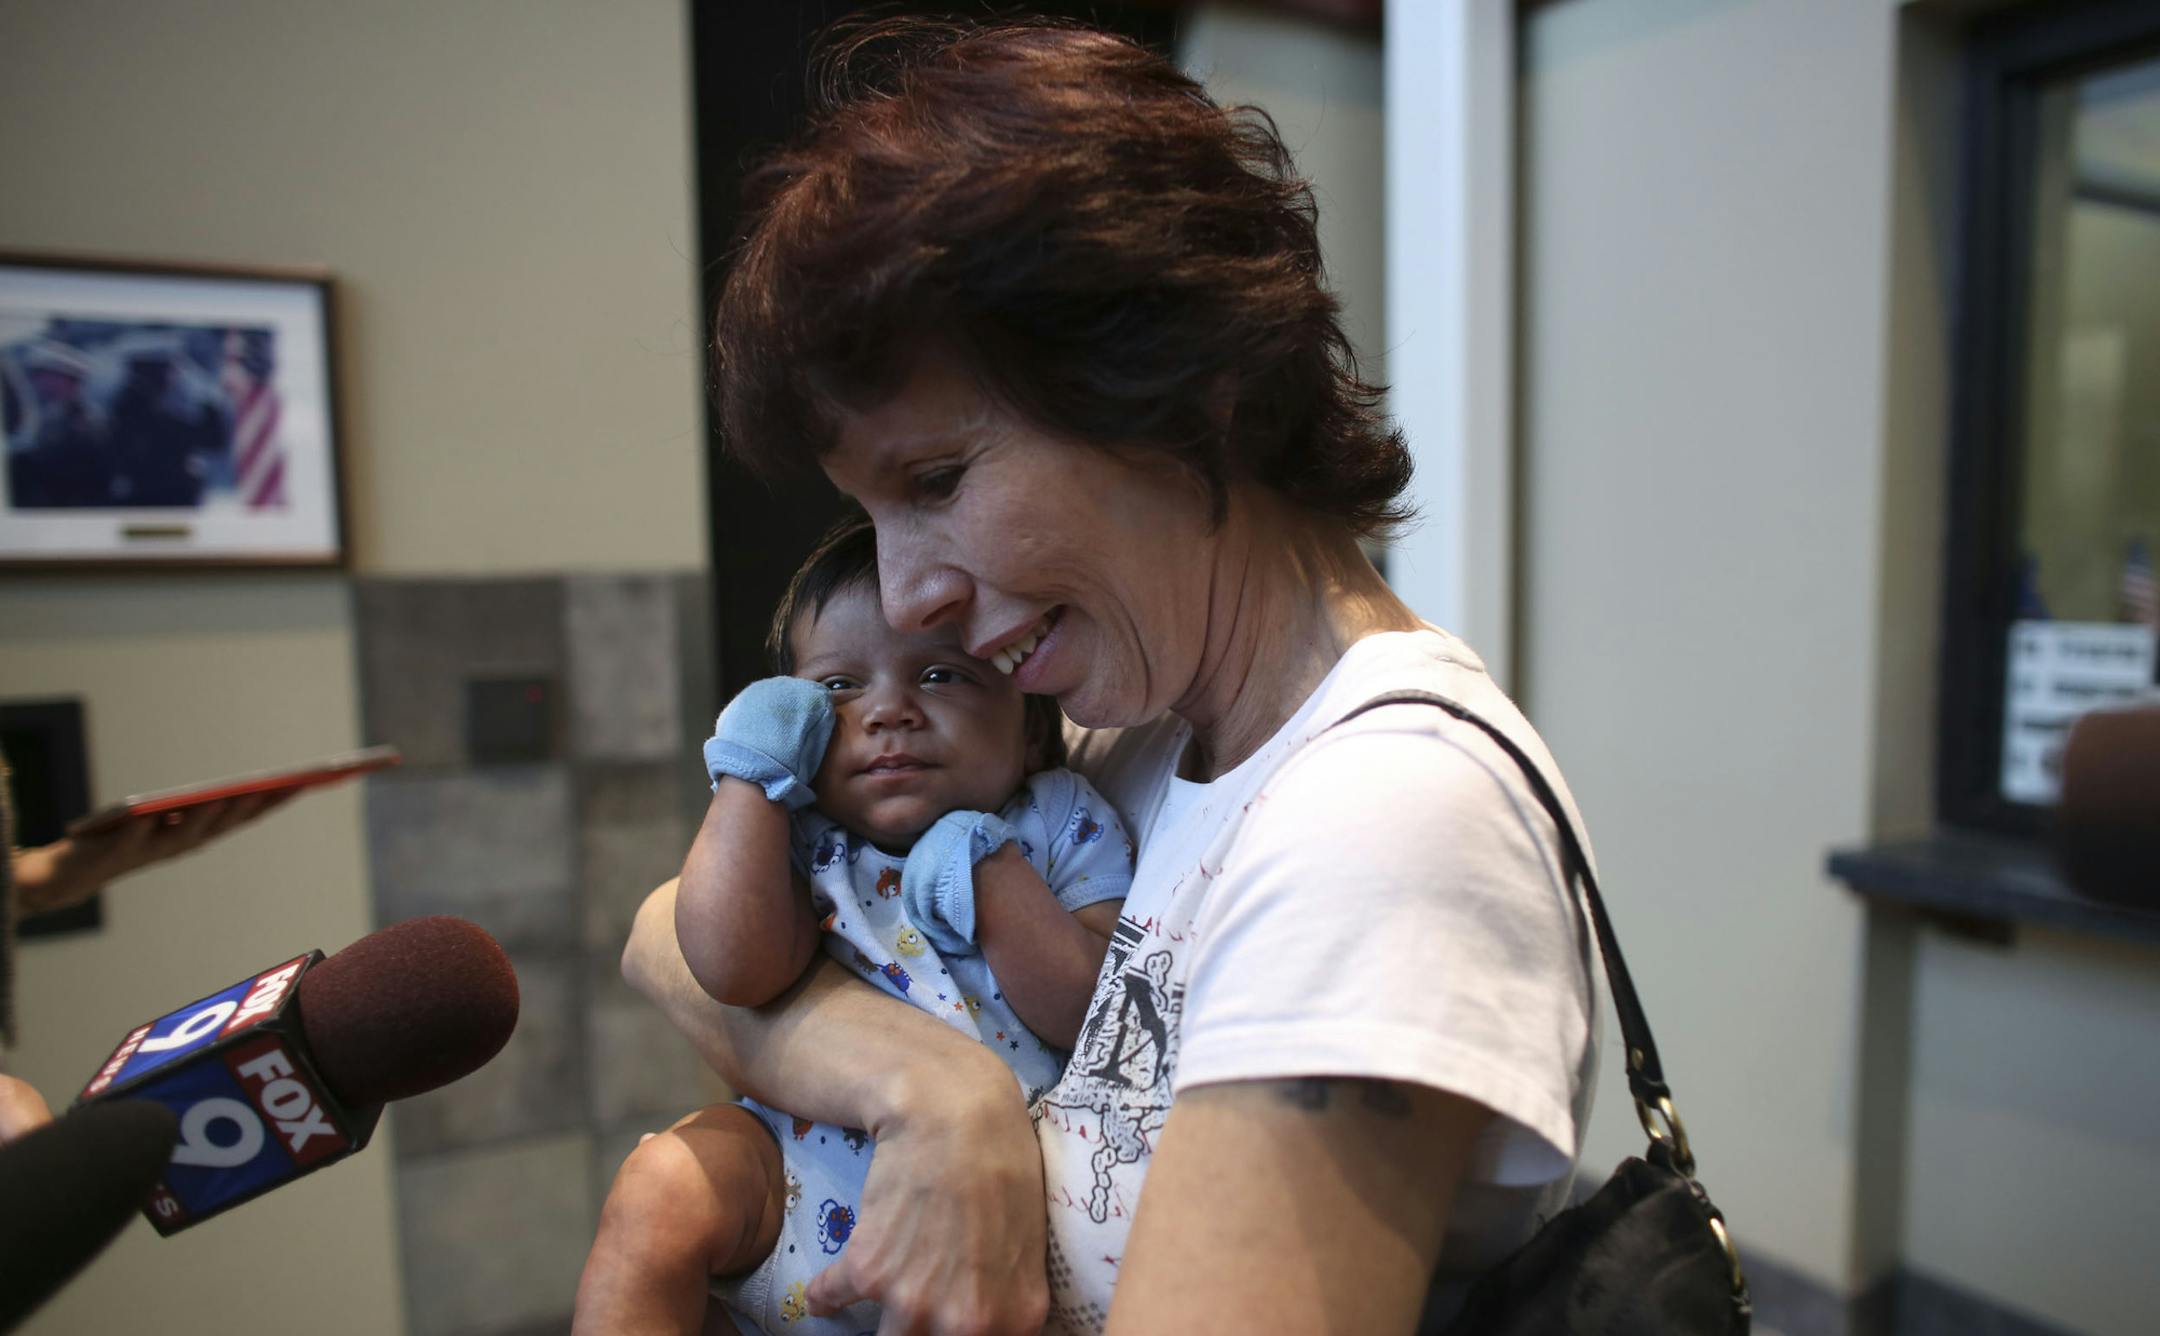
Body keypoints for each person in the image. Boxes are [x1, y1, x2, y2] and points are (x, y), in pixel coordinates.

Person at [618, 17, 1602, 1333]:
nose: (908, 592)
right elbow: (667, 940)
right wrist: (935, 1091)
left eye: (939, 481)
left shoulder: (1379, 823)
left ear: (1173, 388)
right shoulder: (1141, 749)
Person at [577, 517, 1133, 1335]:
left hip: (989, 1215)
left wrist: (992, 873)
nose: (888, 712)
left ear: (1031, 731)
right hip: (788, 1174)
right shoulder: (795, 835)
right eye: (837, 689)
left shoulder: (1058, 821)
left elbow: (1091, 1015)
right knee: (663, 1184)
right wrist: (748, 780)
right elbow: (732, 969)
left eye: (942, 675)